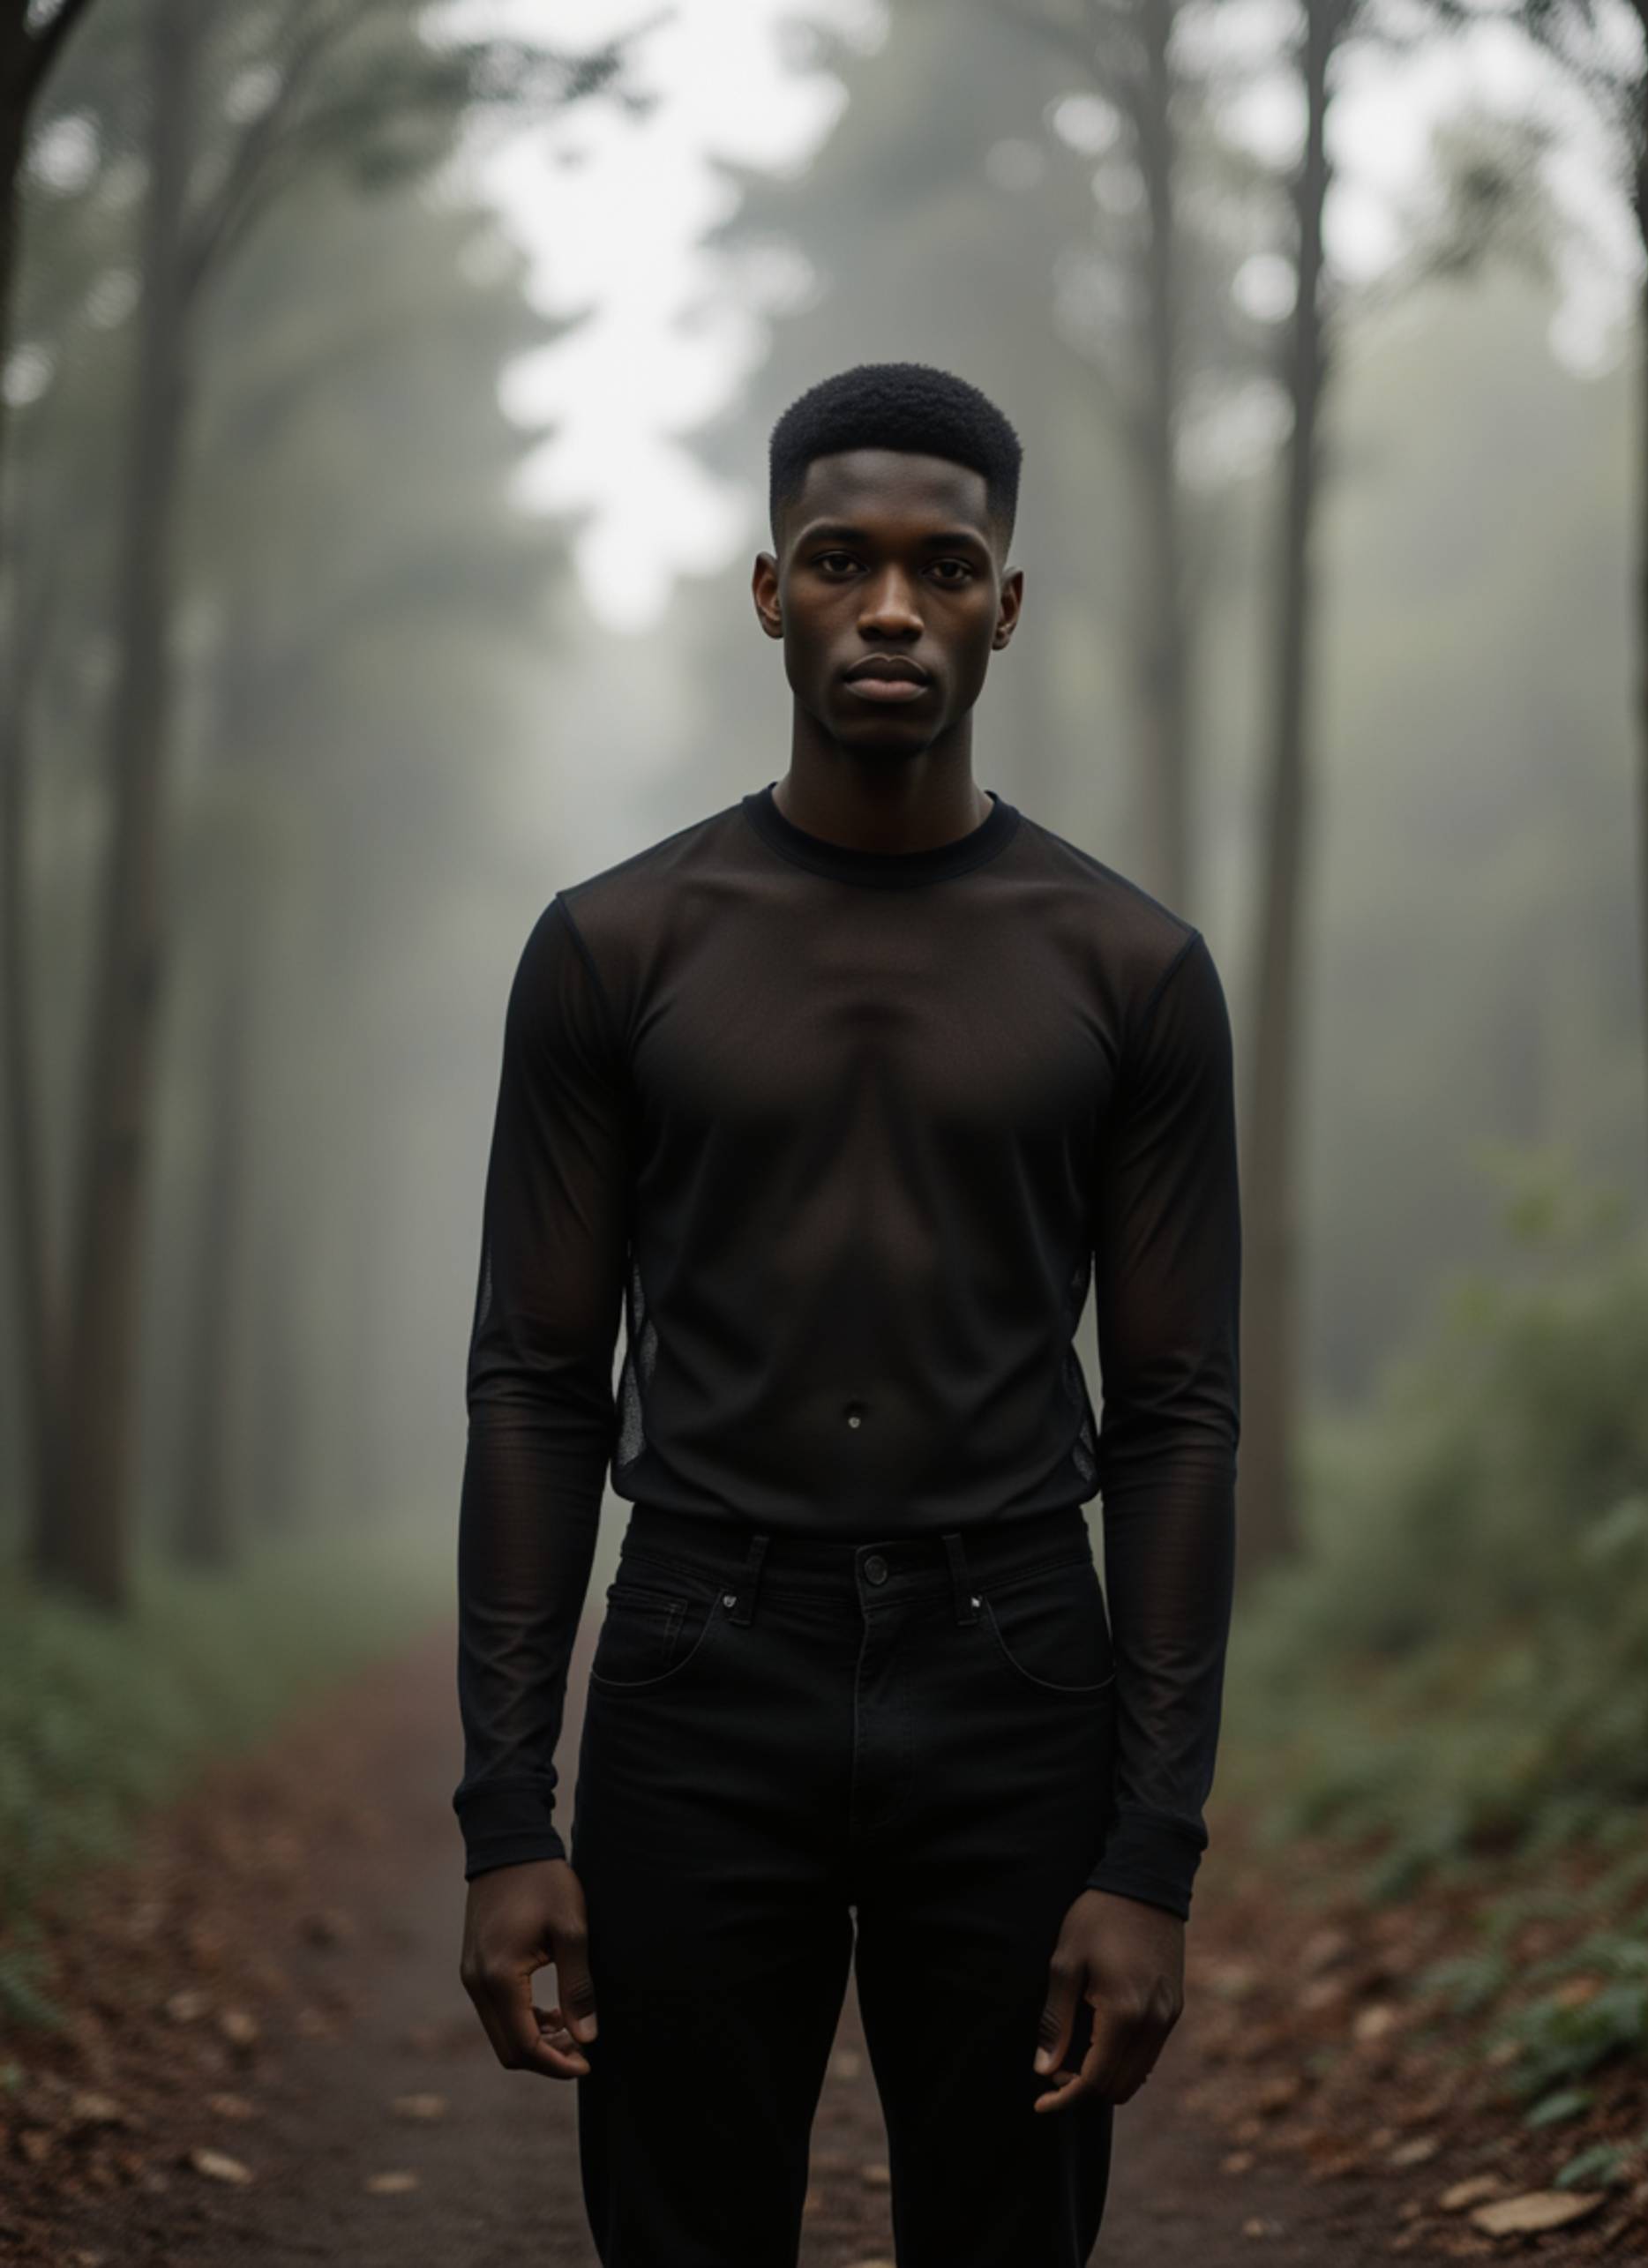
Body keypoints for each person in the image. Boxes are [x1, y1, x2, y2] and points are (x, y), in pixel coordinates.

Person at [453, 360, 1240, 2268]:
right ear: (768, 589)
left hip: (1016, 1669)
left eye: (942, 567)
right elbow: (541, 1383)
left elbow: (1177, 1414)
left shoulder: (1127, 966)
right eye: (840, 561)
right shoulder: (619, 947)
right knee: (684, 2232)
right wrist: (505, 1813)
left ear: (1005, 603)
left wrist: (1150, 1852)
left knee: (1005, 2233)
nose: (890, 607)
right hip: (700, 1666)